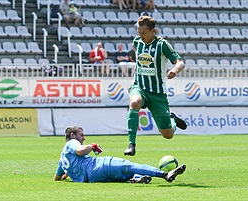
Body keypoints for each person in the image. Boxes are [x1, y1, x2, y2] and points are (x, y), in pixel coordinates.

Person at [124, 15, 187, 156]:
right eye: (139, 33)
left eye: (144, 33)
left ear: (153, 31)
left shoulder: (162, 45)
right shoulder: (137, 42)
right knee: (135, 102)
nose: (140, 36)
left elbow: (180, 62)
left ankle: (172, 120)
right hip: (139, 86)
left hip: (157, 92)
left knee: (168, 134)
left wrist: (174, 70)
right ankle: (131, 144)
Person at [53, 126, 186, 183]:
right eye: (81, 135)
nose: (83, 138)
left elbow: (57, 178)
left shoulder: (62, 159)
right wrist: (91, 146)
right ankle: (164, 174)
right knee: (129, 165)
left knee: (123, 174)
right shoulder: (71, 143)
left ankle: (137, 179)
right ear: (72, 135)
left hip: (93, 178)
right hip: (98, 166)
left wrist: (68, 173)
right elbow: (80, 150)